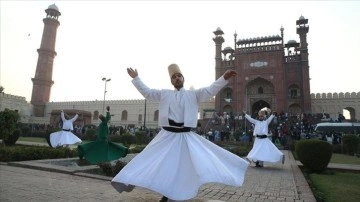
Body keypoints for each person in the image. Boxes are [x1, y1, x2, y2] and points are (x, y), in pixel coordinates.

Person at [111, 64, 249, 201]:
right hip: (167, 137)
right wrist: (136, 79)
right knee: (152, 161)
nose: (177, 78)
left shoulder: (193, 94)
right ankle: (154, 189)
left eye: (179, 76)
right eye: (174, 77)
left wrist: (223, 78)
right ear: (171, 81)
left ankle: (172, 195)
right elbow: (148, 93)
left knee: (183, 168)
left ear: (183, 78)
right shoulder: (165, 94)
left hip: (185, 137)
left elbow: (210, 90)